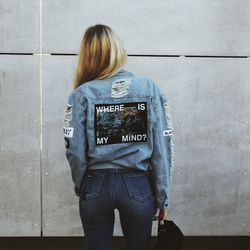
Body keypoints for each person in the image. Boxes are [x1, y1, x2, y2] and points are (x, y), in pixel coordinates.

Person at [63, 24, 175, 250]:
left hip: (95, 185)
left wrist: (81, 184)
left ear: (86, 56)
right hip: (138, 185)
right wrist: (162, 196)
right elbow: (162, 147)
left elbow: (74, 150)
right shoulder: (149, 88)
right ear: (118, 50)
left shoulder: (80, 94)